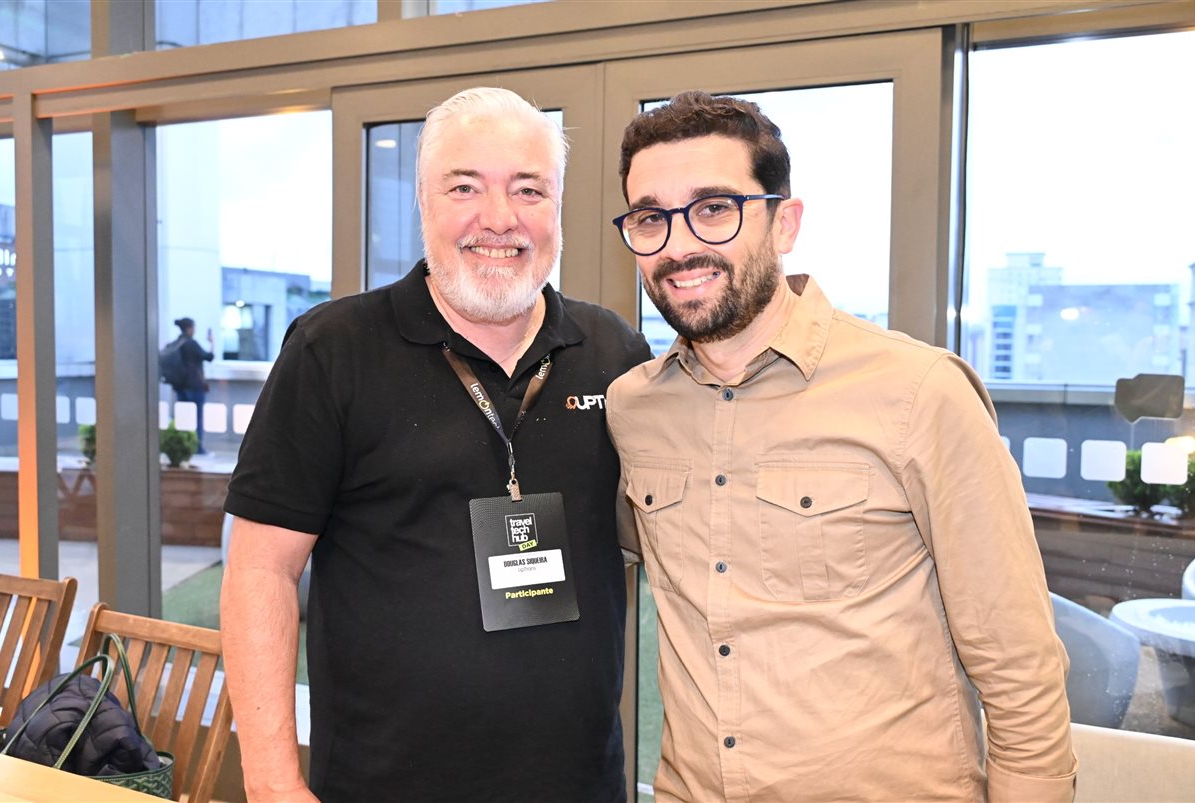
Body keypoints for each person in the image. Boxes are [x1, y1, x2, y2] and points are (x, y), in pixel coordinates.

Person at [606, 91, 1077, 802]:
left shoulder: (920, 392)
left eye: (713, 208)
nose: (679, 245)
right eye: (650, 218)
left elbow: (1019, 667)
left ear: (784, 221)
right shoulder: (633, 408)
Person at [220, 87, 652, 803]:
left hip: (580, 784)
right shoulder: (334, 351)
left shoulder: (614, 352)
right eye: (465, 186)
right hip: (379, 785)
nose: (499, 218)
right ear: (422, 202)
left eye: (528, 189)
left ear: (559, 207)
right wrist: (270, 781)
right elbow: (260, 570)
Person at [171, 317, 214, 455]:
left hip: (180, 387)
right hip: (194, 386)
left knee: (182, 418)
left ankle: (183, 448)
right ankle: (197, 448)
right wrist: (211, 343)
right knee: (197, 418)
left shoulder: (177, 343)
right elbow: (209, 357)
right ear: (189, 328)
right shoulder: (192, 344)